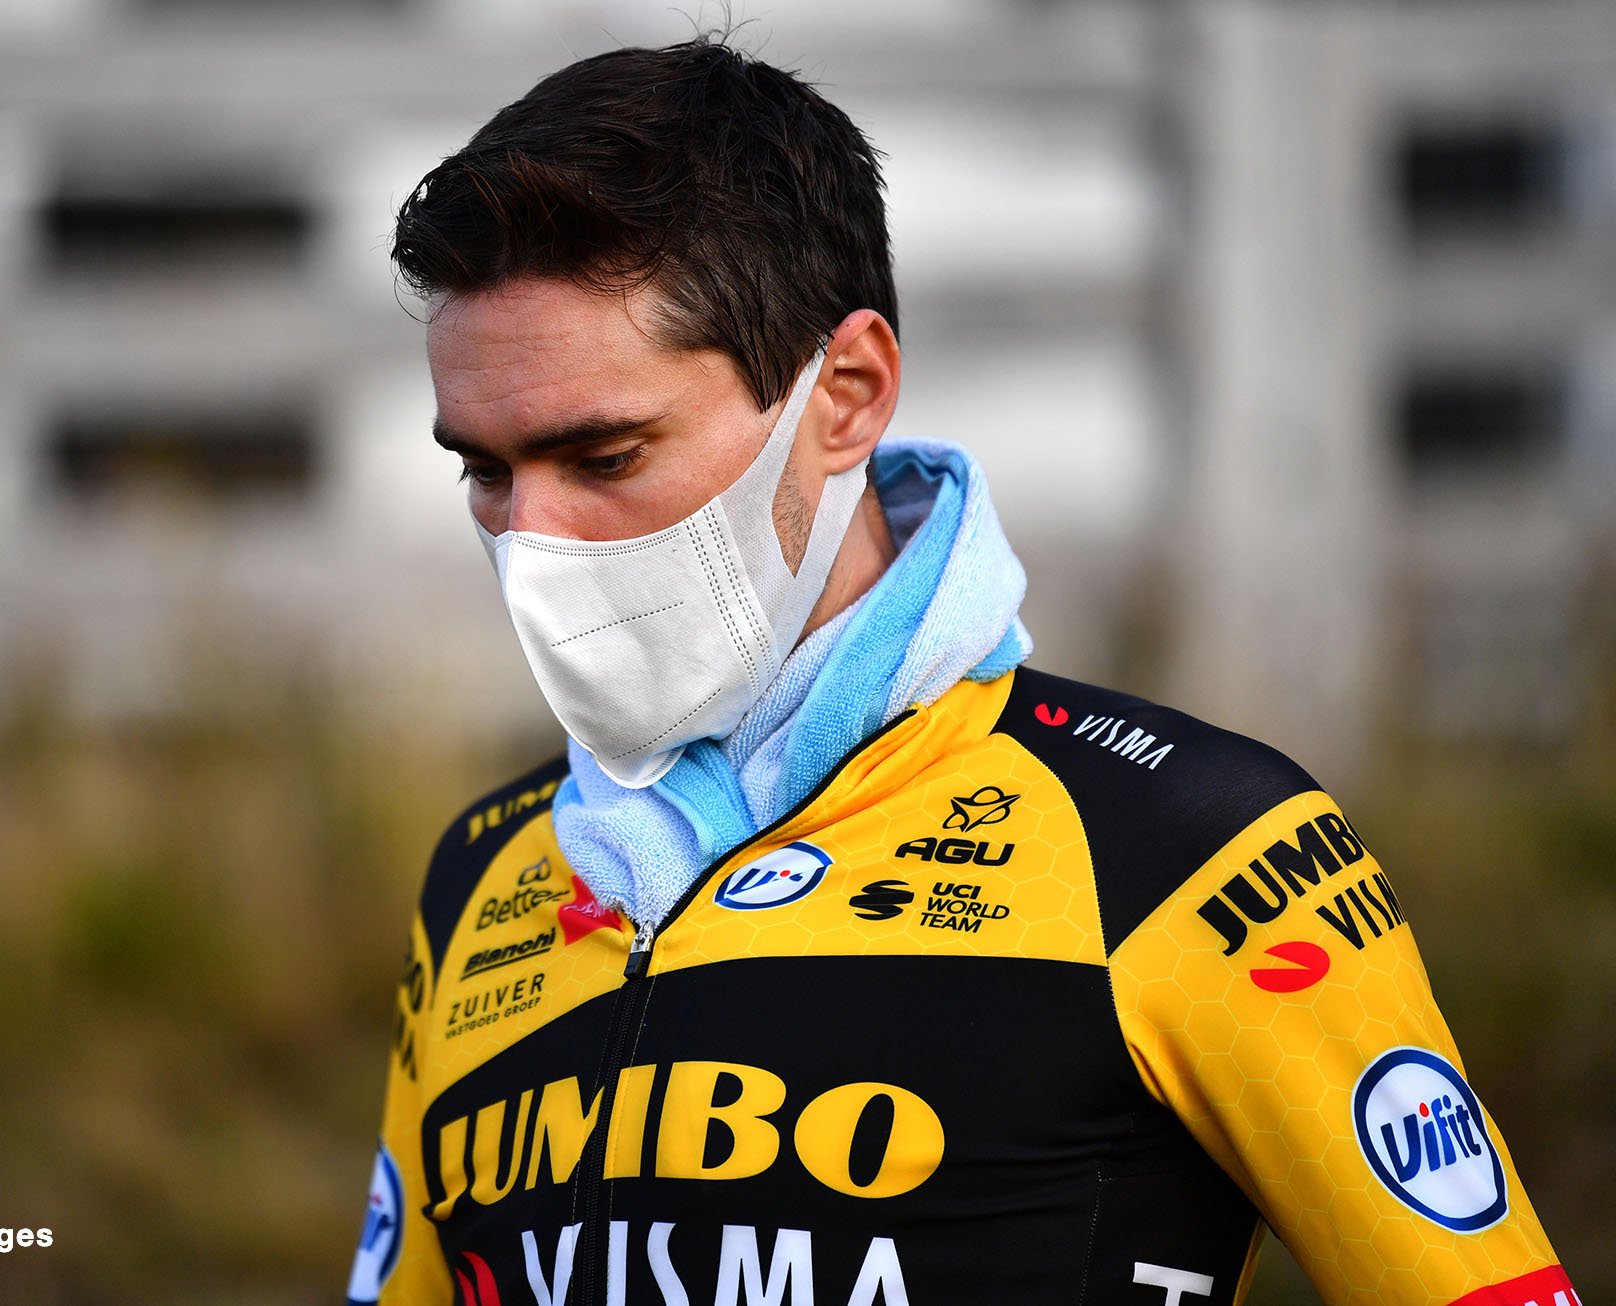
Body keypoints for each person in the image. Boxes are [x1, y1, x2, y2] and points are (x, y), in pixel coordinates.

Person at [344, 37, 1576, 1306]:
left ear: (849, 393)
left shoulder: (1188, 846)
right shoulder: (485, 874)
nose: (531, 541)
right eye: (485, 472)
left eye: (603, 457)